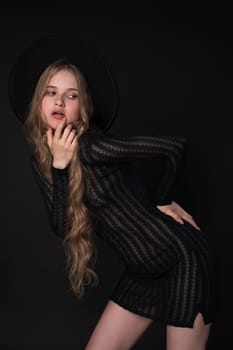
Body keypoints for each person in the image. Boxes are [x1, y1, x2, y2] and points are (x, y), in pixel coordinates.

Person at [9, 37, 217, 350]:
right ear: (39, 101)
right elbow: (62, 227)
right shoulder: (42, 162)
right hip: (142, 274)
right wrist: (61, 167)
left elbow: (174, 147)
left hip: (183, 262)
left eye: (71, 95)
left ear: (83, 108)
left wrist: (163, 199)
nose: (60, 102)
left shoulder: (93, 147)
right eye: (51, 93)